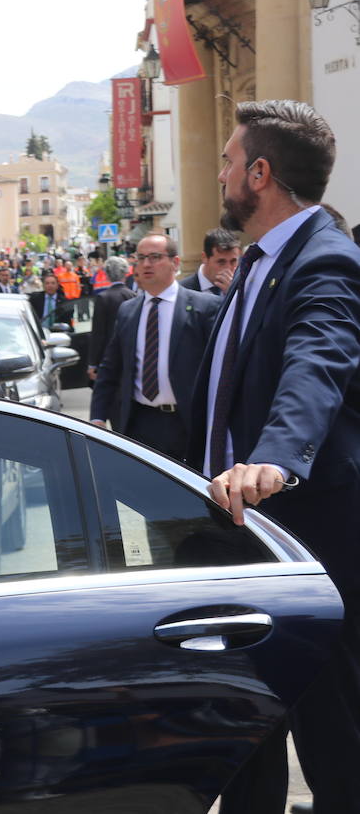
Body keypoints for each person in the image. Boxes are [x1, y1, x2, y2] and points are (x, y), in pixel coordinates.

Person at [190, 101, 360, 814]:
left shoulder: (325, 258)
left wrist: (277, 458)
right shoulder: (258, 261)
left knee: (333, 738)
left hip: (302, 537)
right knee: (242, 733)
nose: (221, 173)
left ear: (260, 174)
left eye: (229, 161)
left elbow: (317, 363)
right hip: (234, 534)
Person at [89, 236, 219, 461]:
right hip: (139, 423)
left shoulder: (204, 307)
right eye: (141, 258)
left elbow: (219, 369)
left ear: (175, 263)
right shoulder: (128, 311)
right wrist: (97, 416)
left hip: (187, 423)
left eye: (155, 257)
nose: (147, 264)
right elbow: (110, 368)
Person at [86, 256, 135, 380]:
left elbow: (98, 333)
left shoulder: (103, 298)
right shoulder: (134, 296)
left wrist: (93, 363)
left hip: (109, 357)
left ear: (107, 274)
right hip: (131, 354)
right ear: (125, 273)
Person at [180, 227, 240, 296]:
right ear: (204, 257)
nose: (228, 268)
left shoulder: (244, 288)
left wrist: (233, 295)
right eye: (221, 262)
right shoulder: (183, 290)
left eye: (233, 261)